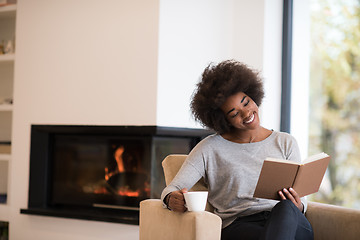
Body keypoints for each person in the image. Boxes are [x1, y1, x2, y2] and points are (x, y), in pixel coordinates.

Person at [160, 60, 314, 240]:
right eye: (234, 113)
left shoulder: (285, 142)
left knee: (285, 209)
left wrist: (299, 205)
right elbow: (171, 189)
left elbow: (301, 201)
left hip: (289, 220)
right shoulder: (209, 148)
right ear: (223, 120)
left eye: (246, 102)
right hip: (240, 226)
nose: (246, 113)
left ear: (253, 96)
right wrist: (171, 199)